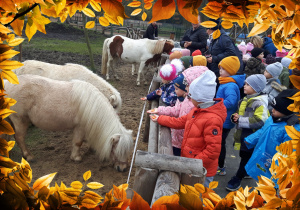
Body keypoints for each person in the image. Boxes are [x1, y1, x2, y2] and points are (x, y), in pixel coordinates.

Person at [150, 70, 226, 188]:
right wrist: (160, 119)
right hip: (190, 164)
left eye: (190, 96)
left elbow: (213, 150)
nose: (187, 97)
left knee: (198, 198)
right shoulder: (196, 110)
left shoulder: (212, 119)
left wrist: (193, 166)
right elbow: (180, 121)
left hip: (200, 171)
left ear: (199, 98)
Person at [147, 66, 208, 156]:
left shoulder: (194, 105)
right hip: (177, 137)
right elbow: (176, 110)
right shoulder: (186, 98)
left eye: (187, 85)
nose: (186, 88)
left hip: (185, 142)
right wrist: (159, 109)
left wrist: (160, 119)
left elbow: (181, 122)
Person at [244, 89, 299, 183]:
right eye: (273, 107)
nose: (272, 110)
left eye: (276, 109)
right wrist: (251, 139)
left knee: (268, 187)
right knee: (259, 180)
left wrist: (277, 170)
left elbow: (288, 154)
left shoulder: (292, 130)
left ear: (288, 112)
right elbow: (264, 130)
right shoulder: (273, 118)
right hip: (262, 156)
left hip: (273, 167)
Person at [226, 74, 269, 191]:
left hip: (251, 137)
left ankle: (237, 178)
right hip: (244, 134)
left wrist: (240, 120)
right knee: (243, 155)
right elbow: (240, 113)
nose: (244, 86)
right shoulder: (246, 98)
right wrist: (235, 118)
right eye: (245, 84)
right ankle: (247, 170)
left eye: (248, 85)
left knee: (246, 157)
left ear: (257, 88)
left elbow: (260, 120)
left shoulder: (259, 103)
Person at [215, 56, 245, 176]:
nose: (220, 71)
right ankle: (219, 164)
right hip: (223, 116)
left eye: (223, 69)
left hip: (225, 119)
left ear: (231, 71)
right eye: (220, 68)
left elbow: (231, 101)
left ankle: (221, 166)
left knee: (220, 142)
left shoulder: (230, 85)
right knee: (219, 141)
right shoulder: (226, 82)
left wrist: (217, 105)